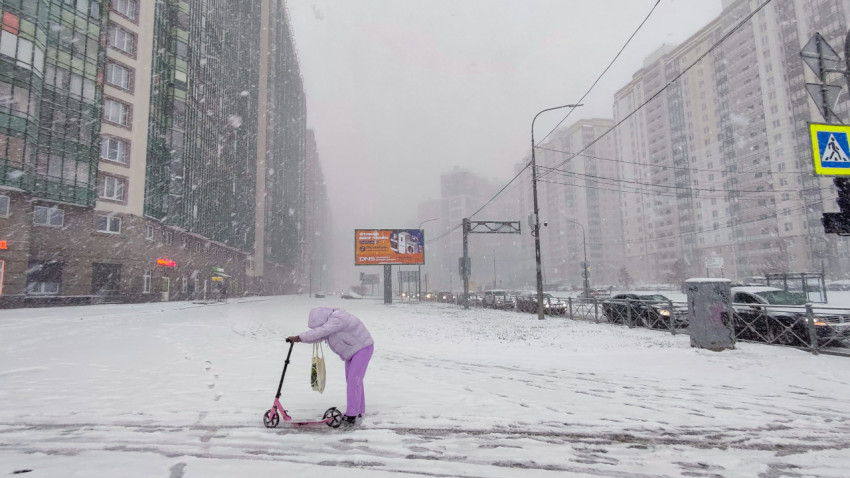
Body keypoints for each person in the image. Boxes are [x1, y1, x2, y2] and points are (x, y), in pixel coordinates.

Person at [287, 307, 374, 427]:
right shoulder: (331, 323)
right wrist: (299, 340)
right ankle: (358, 411)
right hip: (353, 351)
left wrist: (299, 337)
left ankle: (351, 415)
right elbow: (319, 335)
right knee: (354, 381)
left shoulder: (338, 318)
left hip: (362, 348)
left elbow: (322, 331)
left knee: (354, 381)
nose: (319, 328)